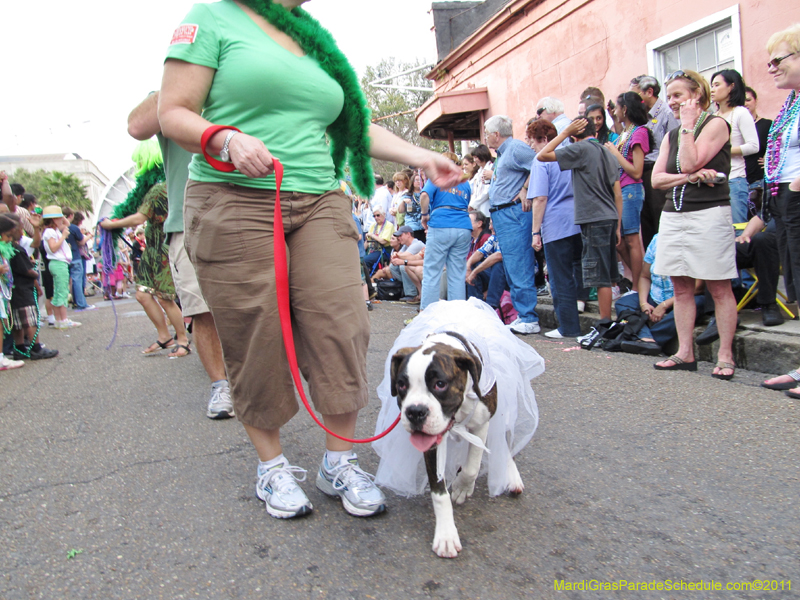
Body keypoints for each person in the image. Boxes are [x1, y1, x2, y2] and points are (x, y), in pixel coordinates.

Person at [158, 0, 462, 520]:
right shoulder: (212, 16)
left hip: (319, 197)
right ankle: (272, 466)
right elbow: (172, 112)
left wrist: (420, 156)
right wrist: (224, 137)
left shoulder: (313, 38)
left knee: (342, 325)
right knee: (256, 333)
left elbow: (351, 127)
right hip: (235, 196)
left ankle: (338, 463)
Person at [128, 90, 235, 419]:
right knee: (202, 310)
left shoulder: (238, 87)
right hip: (187, 221)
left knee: (249, 307)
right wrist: (182, 80)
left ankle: (252, 380)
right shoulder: (174, 95)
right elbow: (136, 126)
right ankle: (221, 386)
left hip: (245, 215)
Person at [651, 69, 737, 379]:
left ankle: (725, 355)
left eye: (677, 95)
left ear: (696, 95)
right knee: (681, 287)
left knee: (718, 286)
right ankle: (684, 352)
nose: (671, 102)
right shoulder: (672, 135)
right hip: (674, 215)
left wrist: (688, 125)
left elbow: (690, 160)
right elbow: (657, 179)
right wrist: (688, 178)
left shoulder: (715, 125)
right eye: (669, 96)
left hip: (709, 213)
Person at [101, 142, 191, 358]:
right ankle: (164, 337)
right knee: (143, 295)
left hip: (162, 249)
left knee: (165, 298)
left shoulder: (159, 188)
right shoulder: (162, 186)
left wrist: (112, 224)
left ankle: (183, 340)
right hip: (152, 250)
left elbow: (140, 217)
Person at [538, 117, 622, 327]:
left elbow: (542, 155)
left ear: (575, 133)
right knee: (609, 273)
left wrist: (564, 133)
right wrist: (619, 224)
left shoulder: (581, 149)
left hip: (593, 216)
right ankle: (606, 321)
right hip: (610, 215)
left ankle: (604, 323)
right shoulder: (607, 153)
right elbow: (617, 193)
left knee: (600, 274)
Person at [528, 119, 585, 339]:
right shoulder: (571, 153)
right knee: (576, 273)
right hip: (578, 218)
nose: (531, 146)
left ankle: (568, 326)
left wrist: (535, 231)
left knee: (560, 277)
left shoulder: (542, 159)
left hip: (555, 223)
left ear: (543, 139)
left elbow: (540, 198)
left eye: (532, 141)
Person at [484, 115, 540, 334]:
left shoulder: (516, 148)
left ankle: (528, 317)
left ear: (496, 134)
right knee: (511, 266)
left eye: (487, 132)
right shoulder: (503, 153)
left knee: (519, 264)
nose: (486, 136)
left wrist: (525, 188)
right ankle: (523, 314)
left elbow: (539, 163)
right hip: (502, 214)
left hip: (513, 213)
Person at [614, 233, 705, 355]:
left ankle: (651, 339)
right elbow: (645, 276)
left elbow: (697, 287)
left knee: (697, 303)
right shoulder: (657, 239)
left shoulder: (695, 241)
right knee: (623, 303)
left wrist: (664, 305)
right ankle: (646, 337)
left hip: (680, 298)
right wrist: (643, 303)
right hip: (656, 295)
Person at [604, 91, 653, 293]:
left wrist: (615, 154)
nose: (615, 111)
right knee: (620, 241)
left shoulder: (639, 132)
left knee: (632, 240)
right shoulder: (625, 132)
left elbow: (636, 171)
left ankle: (639, 285)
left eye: (617, 107)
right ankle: (640, 280)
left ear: (625, 109)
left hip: (631, 189)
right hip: (620, 189)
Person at [629, 75, 680, 250]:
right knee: (647, 221)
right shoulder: (642, 116)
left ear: (649, 92)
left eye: (636, 95)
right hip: (643, 172)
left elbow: (675, 145)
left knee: (660, 217)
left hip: (658, 171)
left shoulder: (667, 113)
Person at [419, 151, 472, 309]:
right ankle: (457, 316)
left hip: (441, 224)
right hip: (463, 226)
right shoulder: (464, 181)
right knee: (457, 275)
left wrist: (424, 215)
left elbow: (424, 196)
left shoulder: (438, 176)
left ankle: (427, 315)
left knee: (432, 272)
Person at [5, 215, 59, 361]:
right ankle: (35, 348)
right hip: (23, 289)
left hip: (13, 290)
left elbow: (35, 244)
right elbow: (26, 270)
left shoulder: (9, 248)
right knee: (31, 320)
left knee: (17, 321)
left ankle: (19, 348)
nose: (22, 232)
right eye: (20, 229)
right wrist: (34, 272)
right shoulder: (16, 249)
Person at [710, 69, 759, 224]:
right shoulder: (713, 116)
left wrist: (723, 152)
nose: (712, 89)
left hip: (735, 180)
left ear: (731, 87)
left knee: (737, 229)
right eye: (711, 85)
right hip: (714, 181)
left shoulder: (740, 112)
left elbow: (753, 146)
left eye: (717, 85)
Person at [41, 206, 81, 329]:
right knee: (62, 291)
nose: (61, 220)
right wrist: (63, 236)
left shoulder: (54, 230)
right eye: (58, 218)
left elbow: (67, 223)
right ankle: (63, 319)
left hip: (58, 263)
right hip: (58, 262)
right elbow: (53, 247)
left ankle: (59, 320)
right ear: (53, 219)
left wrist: (61, 216)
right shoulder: (50, 232)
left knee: (58, 291)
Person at [744, 87, 773, 195]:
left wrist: (770, 161)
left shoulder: (766, 125)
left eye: (748, 100)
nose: (745, 103)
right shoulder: (733, 126)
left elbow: (778, 148)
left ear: (756, 101)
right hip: (737, 180)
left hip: (757, 181)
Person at [64, 209, 95, 312]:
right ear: (71, 215)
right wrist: (90, 236)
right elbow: (81, 242)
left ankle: (72, 302)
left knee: (67, 282)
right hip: (75, 256)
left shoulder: (58, 229)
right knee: (78, 280)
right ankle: (81, 303)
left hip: (64, 257)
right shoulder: (73, 228)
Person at [389, 225, 425, 304]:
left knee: (403, 266)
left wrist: (396, 255)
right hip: (414, 266)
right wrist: (395, 256)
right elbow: (401, 255)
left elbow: (407, 256)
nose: (399, 238)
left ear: (408, 234)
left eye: (401, 235)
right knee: (392, 267)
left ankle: (411, 293)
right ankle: (408, 287)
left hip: (421, 266)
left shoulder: (417, 243)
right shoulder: (405, 245)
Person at [364, 208, 395, 274]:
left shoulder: (389, 225)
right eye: (374, 216)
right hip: (372, 249)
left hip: (383, 250)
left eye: (378, 215)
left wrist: (372, 235)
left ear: (384, 215)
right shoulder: (373, 225)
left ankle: (367, 278)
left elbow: (383, 241)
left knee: (365, 260)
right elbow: (368, 241)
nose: (376, 217)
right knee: (360, 259)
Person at [468, 144, 494, 216]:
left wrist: (473, 204)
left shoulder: (491, 168)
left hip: (487, 208)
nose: (475, 160)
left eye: (476, 157)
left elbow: (487, 191)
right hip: (478, 209)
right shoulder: (478, 172)